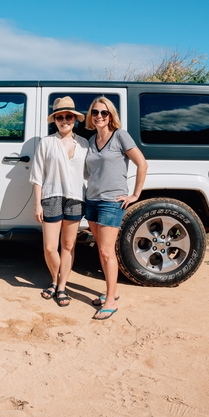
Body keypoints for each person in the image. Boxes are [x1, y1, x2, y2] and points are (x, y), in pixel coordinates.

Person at [84, 96, 147, 320]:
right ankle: (113, 292)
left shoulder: (120, 136)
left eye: (104, 112)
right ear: (90, 116)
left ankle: (110, 300)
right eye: (95, 112)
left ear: (111, 115)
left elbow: (142, 163)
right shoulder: (91, 141)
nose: (99, 116)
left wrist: (135, 194)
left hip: (112, 201)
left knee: (106, 250)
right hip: (91, 200)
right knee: (101, 247)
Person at [29, 96, 88, 307]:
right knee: (49, 247)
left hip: (75, 198)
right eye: (60, 117)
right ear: (55, 120)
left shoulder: (84, 144)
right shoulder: (47, 143)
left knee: (69, 245)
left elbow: (90, 173)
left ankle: (62, 286)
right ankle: (54, 279)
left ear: (75, 119)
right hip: (51, 196)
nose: (65, 120)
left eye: (68, 116)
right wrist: (37, 204)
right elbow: (37, 175)